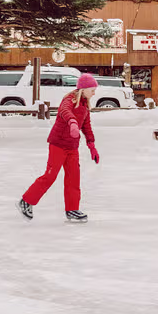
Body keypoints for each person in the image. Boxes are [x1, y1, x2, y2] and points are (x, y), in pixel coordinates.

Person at [19, 74, 100, 223]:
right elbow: (64, 111)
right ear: (83, 89)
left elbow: (87, 126)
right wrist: (72, 122)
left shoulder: (85, 105)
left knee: (73, 178)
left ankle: (72, 209)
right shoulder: (70, 99)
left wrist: (92, 145)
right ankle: (26, 201)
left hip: (72, 147)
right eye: (92, 90)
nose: (94, 93)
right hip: (58, 145)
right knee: (50, 176)